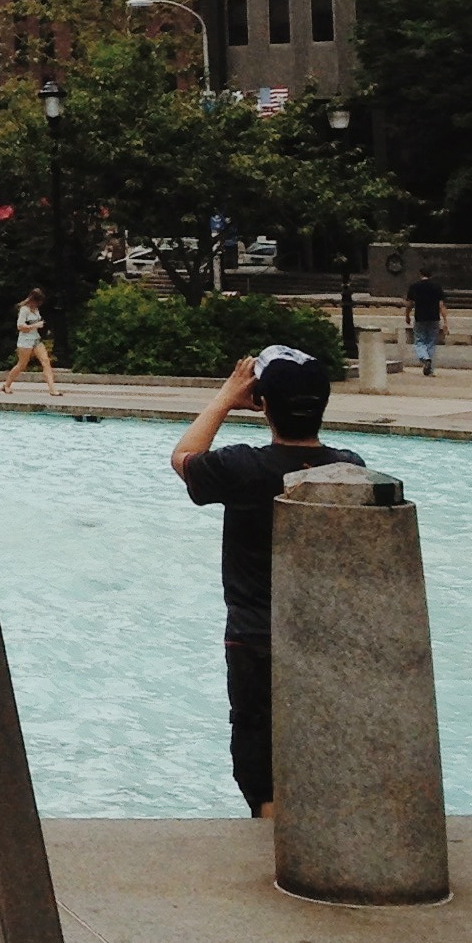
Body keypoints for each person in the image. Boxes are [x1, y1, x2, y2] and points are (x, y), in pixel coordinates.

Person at [171, 343, 362, 816]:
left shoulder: (242, 467)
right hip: (325, 637)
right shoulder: (349, 469)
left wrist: (225, 397)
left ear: (261, 402)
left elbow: (184, 456)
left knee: (260, 760)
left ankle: (271, 837)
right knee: (320, 749)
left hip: (255, 636)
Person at [2, 286, 57, 397]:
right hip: (25, 341)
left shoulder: (36, 310)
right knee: (22, 364)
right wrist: (35, 325)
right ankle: (7, 385)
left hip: (36, 339)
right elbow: (20, 326)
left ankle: (52, 389)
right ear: (33, 300)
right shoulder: (24, 310)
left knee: (46, 361)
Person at [405, 268, 447, 378]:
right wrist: (445, 321)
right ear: (431, 275)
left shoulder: (414, 286)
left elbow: (410, 304)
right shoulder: (437, 287)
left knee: (419, 341)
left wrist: (407, 315)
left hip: (420, 317)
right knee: (431, 343)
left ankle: (425, 358)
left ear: (420, 274)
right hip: (434, 317)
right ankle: (430, 370)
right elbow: (441, 305)